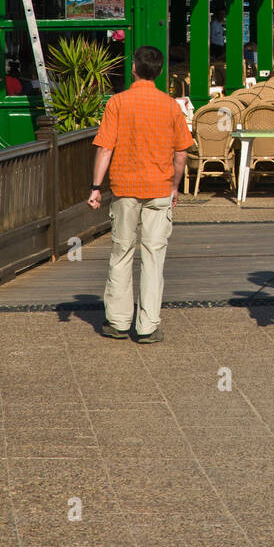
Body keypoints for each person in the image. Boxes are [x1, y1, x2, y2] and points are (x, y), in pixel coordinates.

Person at [88, 45, 193, 344]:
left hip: (124, 187)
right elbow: (182, 152)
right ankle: (147, 325)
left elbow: (105, 147)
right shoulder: (171, 106)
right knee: (153, 257)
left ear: (133, 68)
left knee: (121, 252)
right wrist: (174, 186)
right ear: (159, 72)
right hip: (159, 187)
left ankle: (119, 321)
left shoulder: (117, 103)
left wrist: (96, 187)